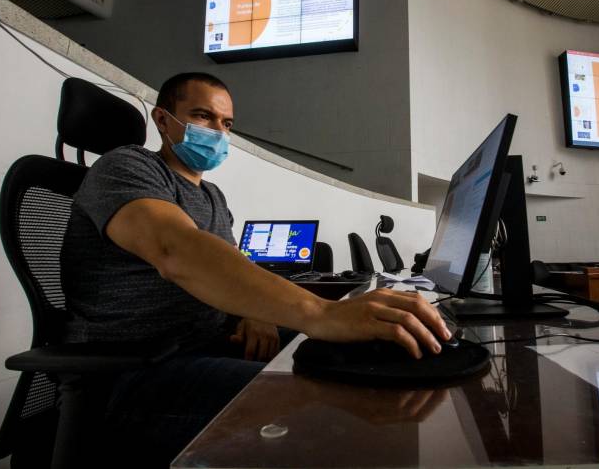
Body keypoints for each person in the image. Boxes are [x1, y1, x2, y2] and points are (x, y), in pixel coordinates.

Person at [60, 72, 450, 465]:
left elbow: (227, 263)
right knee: (335, 395)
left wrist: (250, 309)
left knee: (363, 355)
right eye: (203, 117)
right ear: (163, 120)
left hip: (210, 344)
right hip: (139, 372)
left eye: (226, 123)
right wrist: (322, 312)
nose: (217, 131)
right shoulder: (125, 166)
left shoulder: (212, 195)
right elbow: (175, 250)